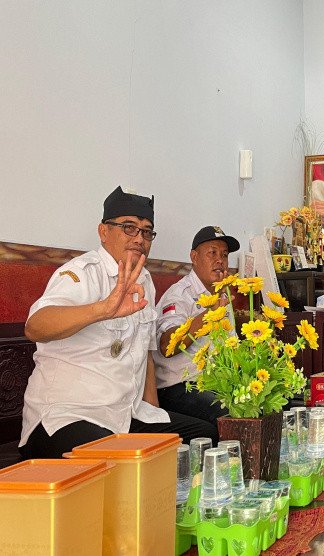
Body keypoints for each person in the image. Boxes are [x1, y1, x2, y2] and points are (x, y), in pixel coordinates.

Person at [19, 187, 217, 459]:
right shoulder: (82, 273)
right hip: (68, 416)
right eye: (129, 227)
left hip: (126, 415)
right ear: (103, 232)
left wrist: (156, 417)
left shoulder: (144, 281)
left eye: (146, 231)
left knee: (204, 436)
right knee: (121, 461)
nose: (139, 238)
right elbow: (35, 326)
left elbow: (146, 357)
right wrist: (102, 309)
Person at [153, 226, 240, 424]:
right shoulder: (179, 295)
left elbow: (231, 344)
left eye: (224, 255)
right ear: (194, 257)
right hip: (179, 386)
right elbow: (167, 346)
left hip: (214, 384)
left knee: (267, 401)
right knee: (230, 415)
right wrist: (207, 316)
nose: (220, 260)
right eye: (212, 253)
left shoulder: (222, 295)